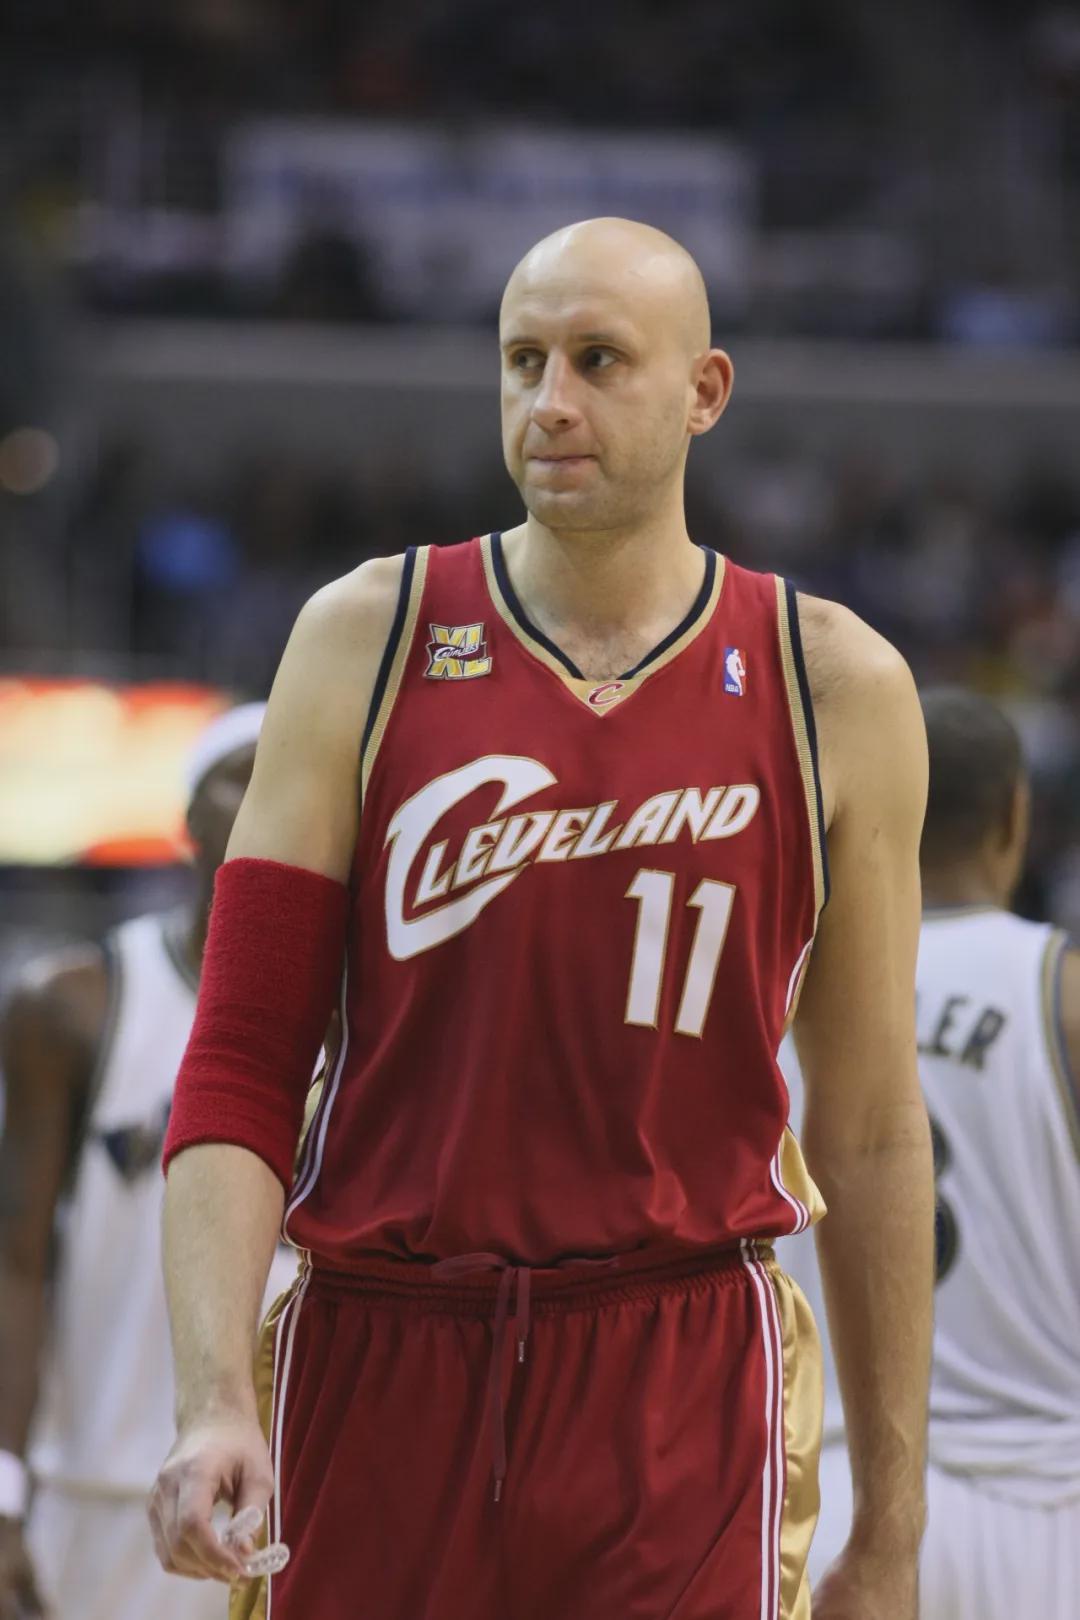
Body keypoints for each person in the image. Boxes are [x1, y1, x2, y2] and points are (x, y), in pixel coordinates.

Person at [149, 217, 935, 1620]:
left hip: (684, 1366)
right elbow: (243, 1055)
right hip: (379, 1344)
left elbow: (872, 1126)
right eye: (523, 361)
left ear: (704, 391)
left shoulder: (834, 684)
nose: (550, 402)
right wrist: (212, 1397)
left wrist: (893, 1526)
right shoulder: (366, 634)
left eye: (598, 361)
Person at [783, 686, 1080, 1616]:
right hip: (1039, 1509)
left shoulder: (774, 990)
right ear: (1015, 819)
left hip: (820, 1494)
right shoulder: (1065, 994)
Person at [0, 703, 297, 1620]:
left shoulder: (371, 1016)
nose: (268, 793)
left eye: (289, 771)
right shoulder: (78, 1002)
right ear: (187, 818)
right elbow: (16, 1263)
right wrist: (3, 1491)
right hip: (98, 1495)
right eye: (241, 773)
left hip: (287, 1496)